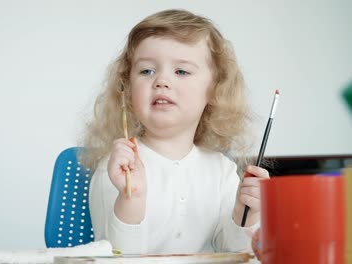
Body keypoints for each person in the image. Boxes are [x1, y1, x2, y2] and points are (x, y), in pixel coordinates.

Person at [81, 9, 269, 254]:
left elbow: (237, 253)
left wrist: (247, 215)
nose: (161, 80)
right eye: (147, 70)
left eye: (181, 71)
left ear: (215, 90)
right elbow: (119, 256)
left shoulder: (222, 171)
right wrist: (131, 199)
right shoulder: (118, 167)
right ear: (127, 89)